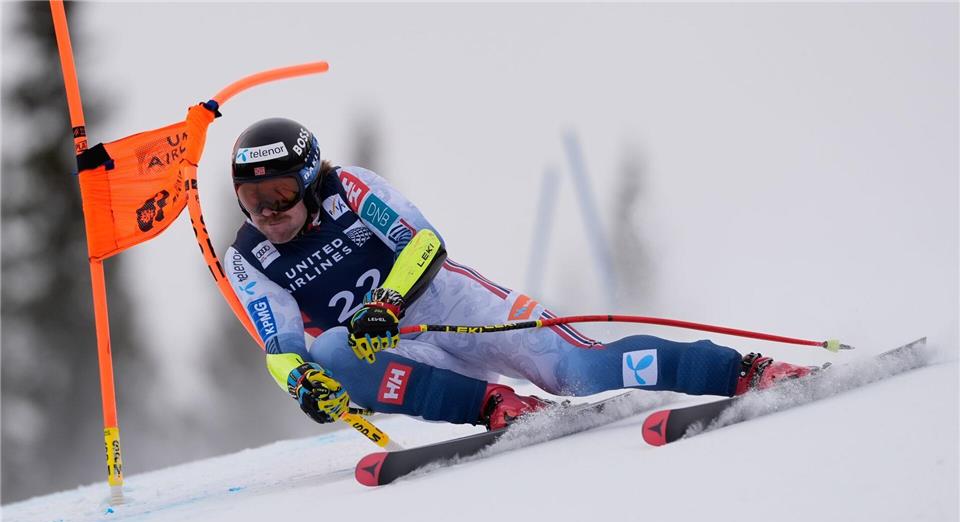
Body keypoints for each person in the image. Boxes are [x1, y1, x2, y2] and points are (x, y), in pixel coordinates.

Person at [225, 118, 815, 430]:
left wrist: (386, 301)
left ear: (310, 181)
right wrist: (303, 385)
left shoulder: (349, 188)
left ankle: (742, 371)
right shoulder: (249, 258)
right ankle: (495, 406)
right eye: (253, 201)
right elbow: (281, 347)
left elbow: (424, 244)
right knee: (330, 352)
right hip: (393, 348)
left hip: (451, 307)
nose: (269, 214)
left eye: (280, 195)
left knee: (578, 372)